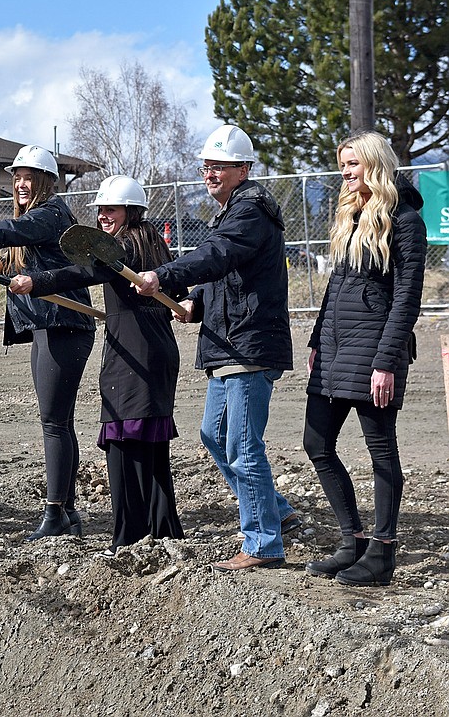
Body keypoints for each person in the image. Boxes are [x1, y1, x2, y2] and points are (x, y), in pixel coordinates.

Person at [134, 124, 299, 571]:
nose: (211, 174)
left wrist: (164, 276)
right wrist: (196, 303)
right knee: (214, 434)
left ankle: (263, 543)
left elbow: (220, 254)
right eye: (207, 166)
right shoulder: (230, 212)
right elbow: (225, 274)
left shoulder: (249, 212)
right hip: (227, 343)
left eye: (220, 167)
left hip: (248, 345)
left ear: (243, 169)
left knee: (244, 447)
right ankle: (276, 511)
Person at [9, 175, 185, 553]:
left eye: (111, 209)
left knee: (124, 446)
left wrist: (36, 282)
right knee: (151, 448)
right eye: (101, 210)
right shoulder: (152, 241)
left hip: (132, 353)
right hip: (159, 348)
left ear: (130, 211)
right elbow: (179, 289)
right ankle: (164, 531)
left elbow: (84, 272)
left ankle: (129, 538)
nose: (104, 217)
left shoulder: (121, 247)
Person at [0, 144, 95, 541]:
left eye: (29, 178)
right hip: (52, 326)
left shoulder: (50, 215)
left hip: (64, 325)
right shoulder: (33, 224)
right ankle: (68, 511)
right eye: (18, 178)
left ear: (45, 182)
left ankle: (56, 514)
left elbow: (6, 231)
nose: (22, 184)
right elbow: (3, 247)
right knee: (58, 421)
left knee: (53, 423)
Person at [301, 131, 426, 586]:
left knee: (381, 451)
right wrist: (316, 338)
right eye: (342, 166)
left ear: (375, 164)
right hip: (334, 351)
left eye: (352, 164)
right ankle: (350, 540)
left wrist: (387, 361)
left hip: (375, 353)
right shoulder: (351, 216)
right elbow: (336, 287)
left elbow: (407, 299)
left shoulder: (405, 220)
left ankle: (383, 551)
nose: (346, 174)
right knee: (316, 443)